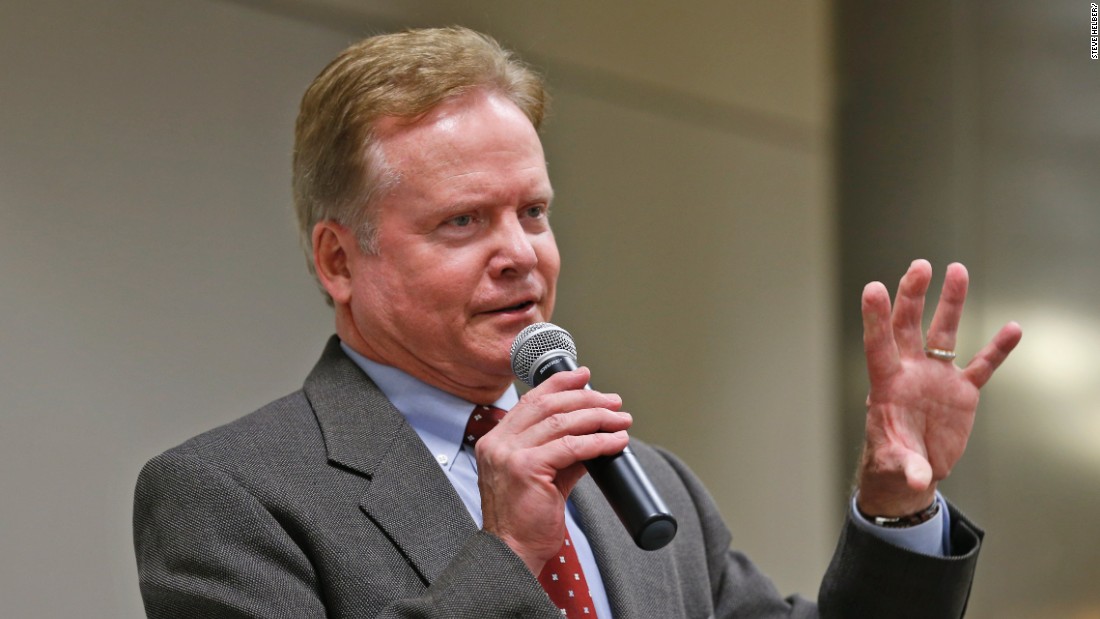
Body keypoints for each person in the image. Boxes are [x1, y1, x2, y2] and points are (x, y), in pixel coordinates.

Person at [133, 26, 1022, 618]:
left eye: (534, 212)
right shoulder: (229, 497)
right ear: (338, 259)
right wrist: (511, 551)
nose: (521, 253)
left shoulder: (647, 484)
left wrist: (897, 507)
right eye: (462, 221)